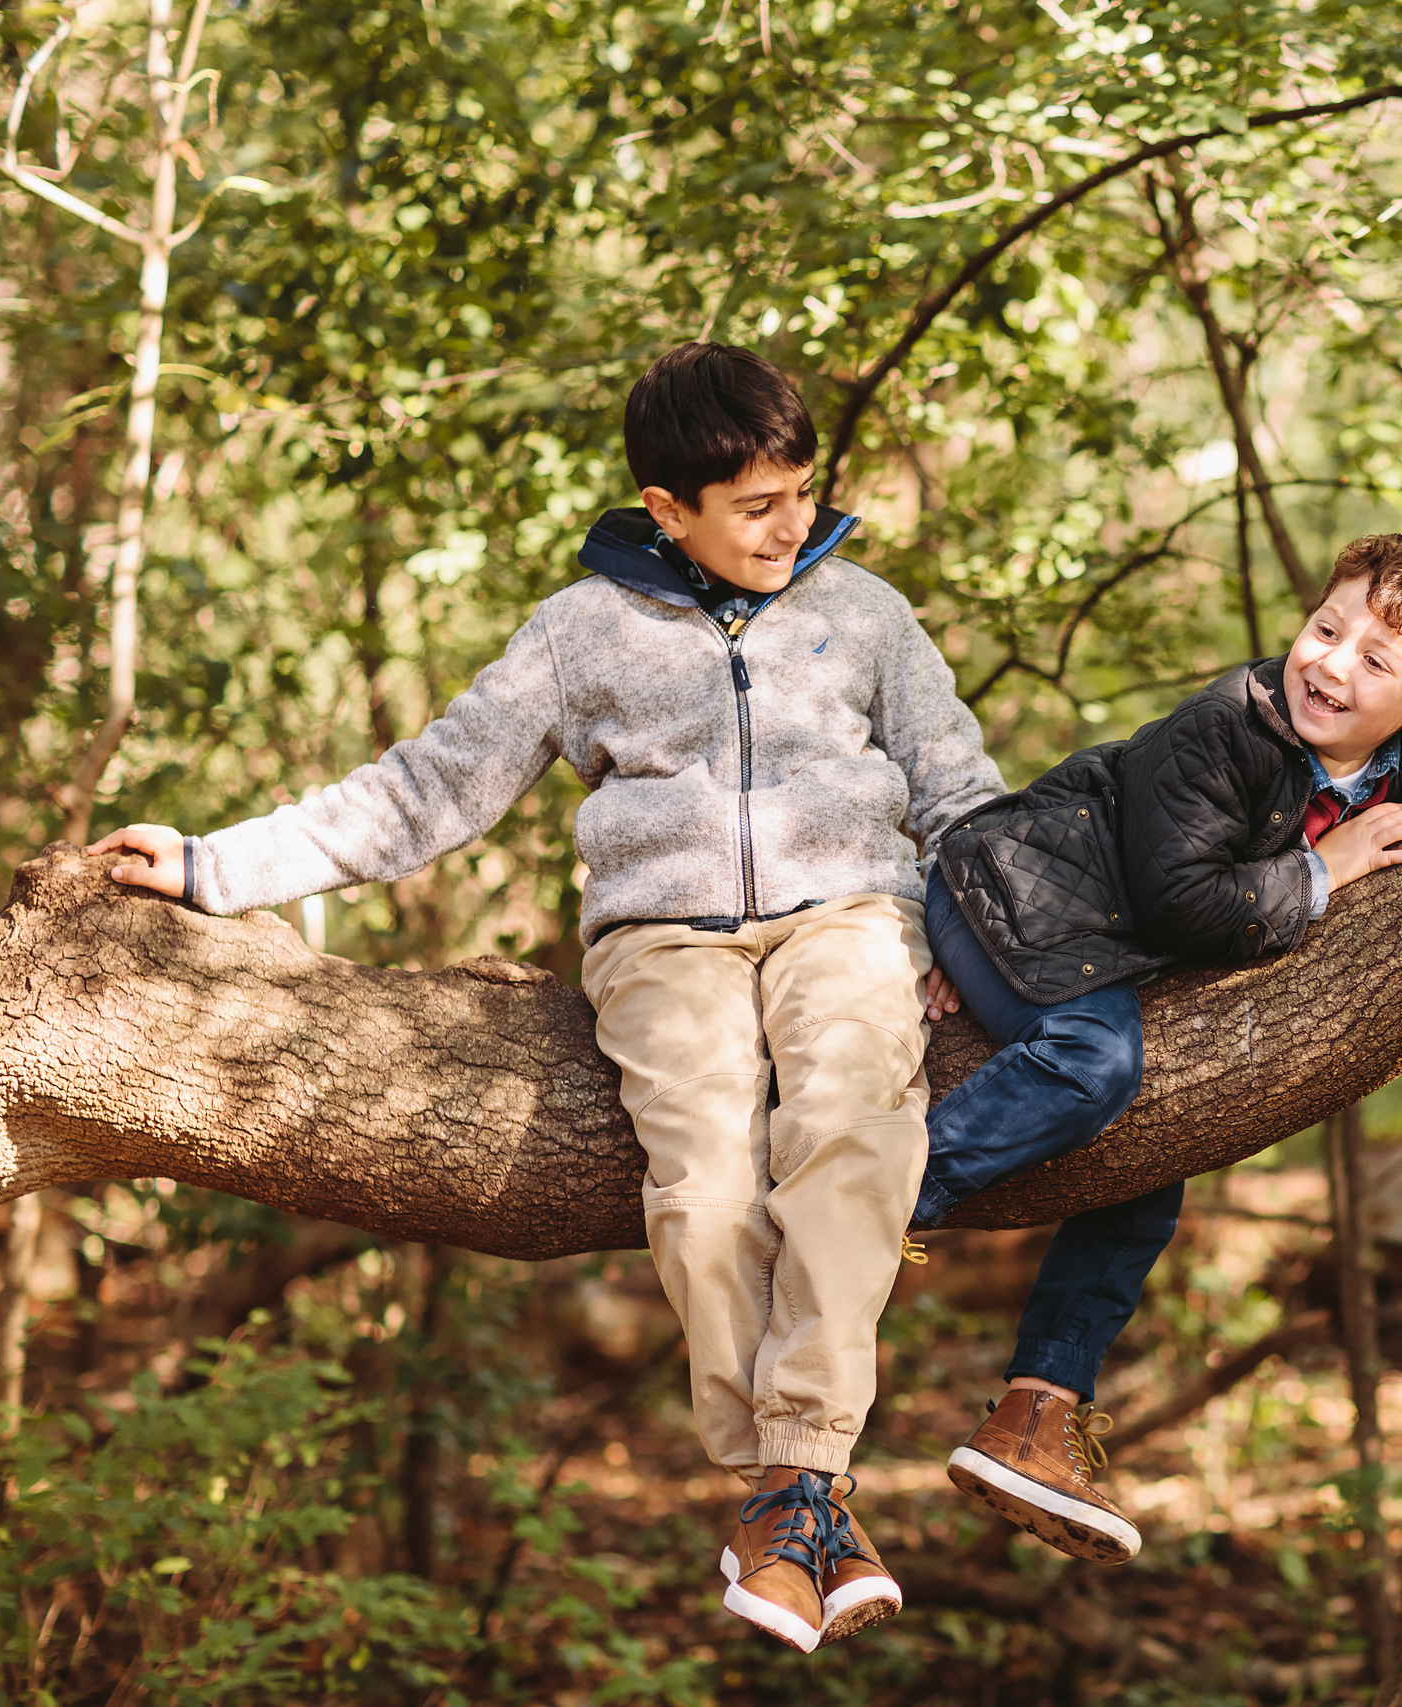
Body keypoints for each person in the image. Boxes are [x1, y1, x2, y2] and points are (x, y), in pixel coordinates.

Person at [86, 342, 1003, 1655]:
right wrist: (214, 863)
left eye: (799, 490)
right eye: (755, 503)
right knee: (702, 1176)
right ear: (668, 505)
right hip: (663, 940)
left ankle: (797, 1478)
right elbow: (424, 790)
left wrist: (985, 939)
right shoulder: (582, 632)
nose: (790, 522)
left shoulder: (861, 612)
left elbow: (964, 792)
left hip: (852, 913)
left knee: (856, 1125)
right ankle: (793, 1498)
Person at [911, 531, 1402, 1563]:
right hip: (1011, 898)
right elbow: (1182, 903)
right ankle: (868, 1191)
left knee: (1152, 1153)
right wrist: (1326, 869)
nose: (1329, 664)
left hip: (1101, 951)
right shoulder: (1225, 726)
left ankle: (1034, 1415)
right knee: (1097, 1067)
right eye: (1325, 629)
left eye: (1374, 660)